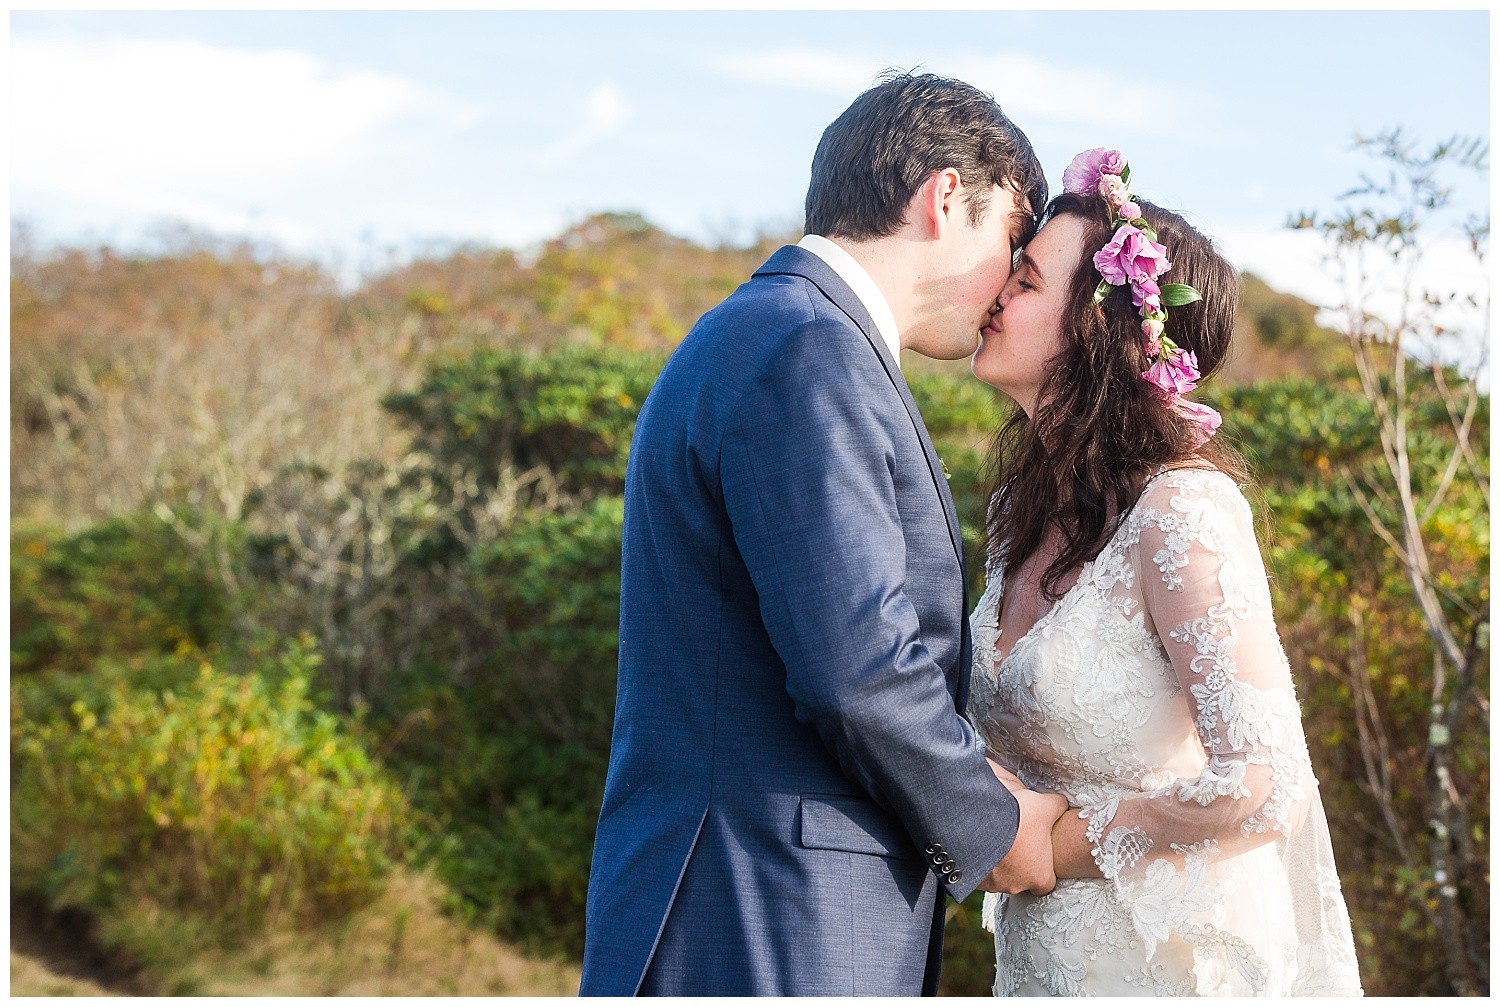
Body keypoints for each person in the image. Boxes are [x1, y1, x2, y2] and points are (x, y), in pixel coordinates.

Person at [579, 72, 1066, 996]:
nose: (1008, 282)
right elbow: (859, 667)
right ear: (945, 198)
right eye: (1012, 238)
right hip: (764, 908)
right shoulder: (807, 347)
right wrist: (995, 828)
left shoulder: (776, 332)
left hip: (759, 895)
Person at [966, 148, 1364, 996]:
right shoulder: (1015, 517)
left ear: (1096, 330)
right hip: (1040, 965)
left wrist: (1050, 845)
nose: (996, 290)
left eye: (1026, 279)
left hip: (1163, 963)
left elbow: (1267, 785)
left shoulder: (1180, 513)